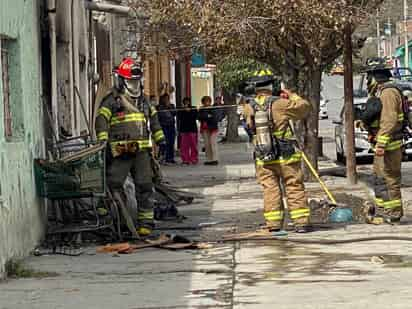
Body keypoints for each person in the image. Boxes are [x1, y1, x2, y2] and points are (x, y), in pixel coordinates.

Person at [95, 57, 165, 237]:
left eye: (136, 80)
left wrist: (160, 139)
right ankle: (116, 219)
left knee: (145, 186)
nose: (134, 84)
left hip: (141, 151)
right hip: (121, 151)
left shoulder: (144, 101)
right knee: (113, 184)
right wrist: (103, 141)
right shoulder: (112, 101)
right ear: (122, 81)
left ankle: (146, 224)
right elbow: (101, 120)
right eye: (130, 81)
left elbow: (154, 120)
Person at [243, 74, 312, 233]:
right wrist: (292, 95)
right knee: (293, 185)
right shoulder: (280, 104)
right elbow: (304, 108)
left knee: (270, 189)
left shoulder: (249, 107)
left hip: (263, 155)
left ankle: (273, 224)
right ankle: (301, 223)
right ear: (271, 87)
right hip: (286, 155)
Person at [357, 58, 404, 223]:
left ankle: (393, 213)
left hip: (389, 146)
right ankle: (385, 211)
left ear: (375, 76)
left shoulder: (388, 93)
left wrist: (381, 143)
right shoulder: (382, 91)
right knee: (380, 179)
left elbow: (389, 120)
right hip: (383, 144)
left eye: (369, 76)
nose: (367, 80)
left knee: (389, 179)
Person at [198, 96, 223, 165]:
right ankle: (209, 159)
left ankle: (215, 159)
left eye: (208, 101)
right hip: (205, 128)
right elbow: (199, 117)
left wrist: (207, 117)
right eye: (205, 101)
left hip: (213, 128)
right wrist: (207, 116)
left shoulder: (213, 108)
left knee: (213, 143)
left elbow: (215, 118)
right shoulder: (201, 109)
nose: (207, 102)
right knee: (207, 144)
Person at [177, 97, 198, 164]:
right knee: (184, 146)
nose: (186, 103)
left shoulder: (193, 108)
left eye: (188, 102)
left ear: (189, 102)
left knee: (193, 145)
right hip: (184, 129)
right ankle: (185, 159)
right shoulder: (181, 109)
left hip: (192, 129)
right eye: (185, 102)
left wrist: (190, 111)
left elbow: (196, 117)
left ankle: (194, 158)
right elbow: (179, 117)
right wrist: (184, 111)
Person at [158, 94, 177, 164]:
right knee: (165, 142)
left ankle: (171, 158)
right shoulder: (159, 107)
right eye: (165, 98)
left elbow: (174, 113)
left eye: (167, 98)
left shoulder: (172, 106)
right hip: (163, 126)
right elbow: (159, 115)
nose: (166, 100)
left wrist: (169, 107)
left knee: (171, 142)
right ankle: (163, 157)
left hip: (171, 125)